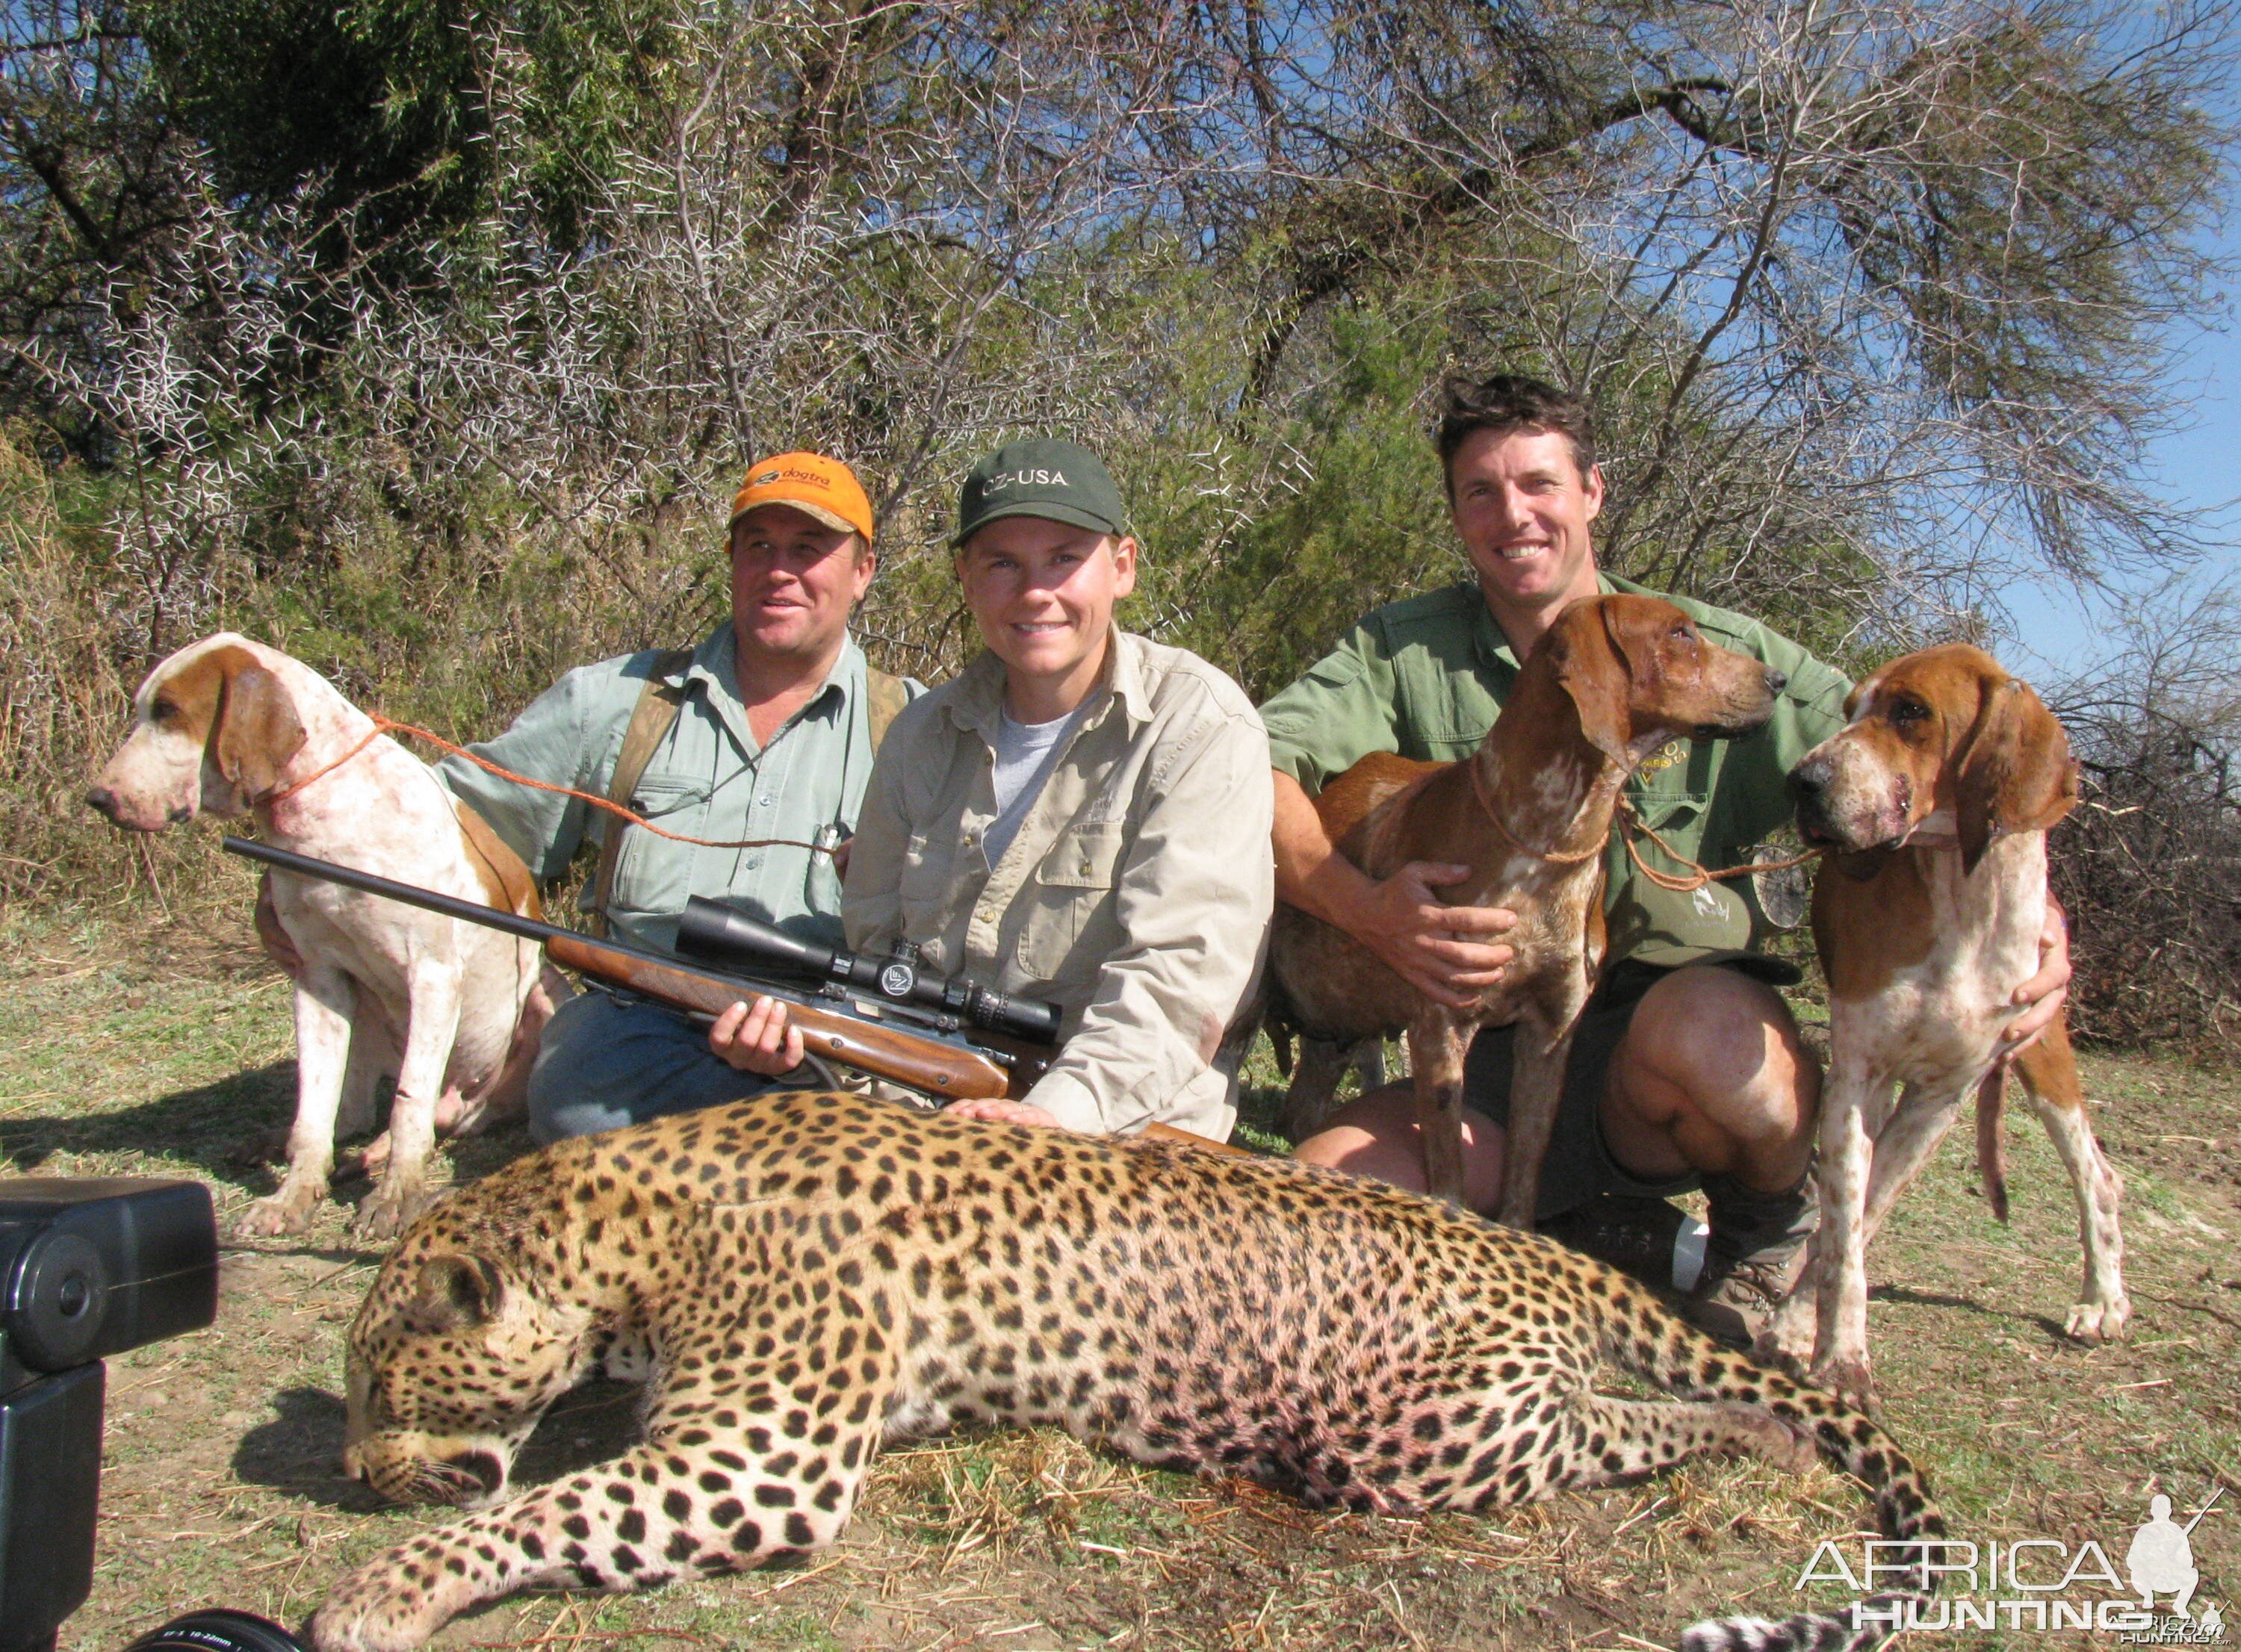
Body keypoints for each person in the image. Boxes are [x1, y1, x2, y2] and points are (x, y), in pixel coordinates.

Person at [1260, 374, 2071, 1342]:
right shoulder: (1403, 651)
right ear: (1456, 514)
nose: (1513, 514)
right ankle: (1596, 1228)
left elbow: (1920, 760)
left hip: (1663, 1038)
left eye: (1539, 483)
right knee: (1326, 1187)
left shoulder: (1710, 653)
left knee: (1722, 1046)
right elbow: (1249, 767)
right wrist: (1367, 909)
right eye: (1481, 491)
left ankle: (1761, 1241)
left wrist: (2036, 925)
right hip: (1485, 1056)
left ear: (1593, 490)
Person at [709, 438, 1273, 1140]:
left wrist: (1049, 1115)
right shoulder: (919, 736)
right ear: (965, 578)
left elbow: (1178, 985)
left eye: (1065, 558)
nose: (1035, 592)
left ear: (1122, 567)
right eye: (1003, 563)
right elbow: (877, 960)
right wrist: (800, 1053)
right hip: (925, 1115)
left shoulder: (1202, 727)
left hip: (1124, 1136)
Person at [433, 452, 920, 1142]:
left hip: (832, 1041)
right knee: (580, 1102)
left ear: (862, 571)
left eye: (809, 549)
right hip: (643, 1025)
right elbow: (453, 821)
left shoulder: (918, 730)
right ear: (732, 563)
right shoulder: (616, 703)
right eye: (759, 547)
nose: (779, 571)